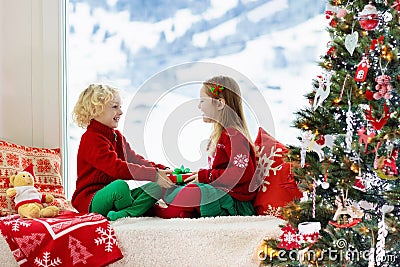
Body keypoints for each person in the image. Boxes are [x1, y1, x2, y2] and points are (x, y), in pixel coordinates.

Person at [155, 75, 257, 218]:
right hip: (221, 194)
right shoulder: (222, 135)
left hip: (235, 202)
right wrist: (197, 175)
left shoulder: (235, 136)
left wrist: (205, 176)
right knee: (180, 186)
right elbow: (219, 172)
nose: (199, 106)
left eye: (202, 101)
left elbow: (242, 173)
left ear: (220, 104)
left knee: (193, 190)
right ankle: (182, 211)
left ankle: (160, 212)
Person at [71, 84, 174, 221]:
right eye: (115, 107)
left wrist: (161, 170)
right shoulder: (91, 138)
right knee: (120, 186)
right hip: (91, 200)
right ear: (96, 110)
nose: (120, 112)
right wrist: (153, 174)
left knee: (156, 187)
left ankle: (125, 213)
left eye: (120, 107)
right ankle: (136, 210)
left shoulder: (116, 136)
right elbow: (116, 168)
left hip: (116, 199)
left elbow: (135, 160)